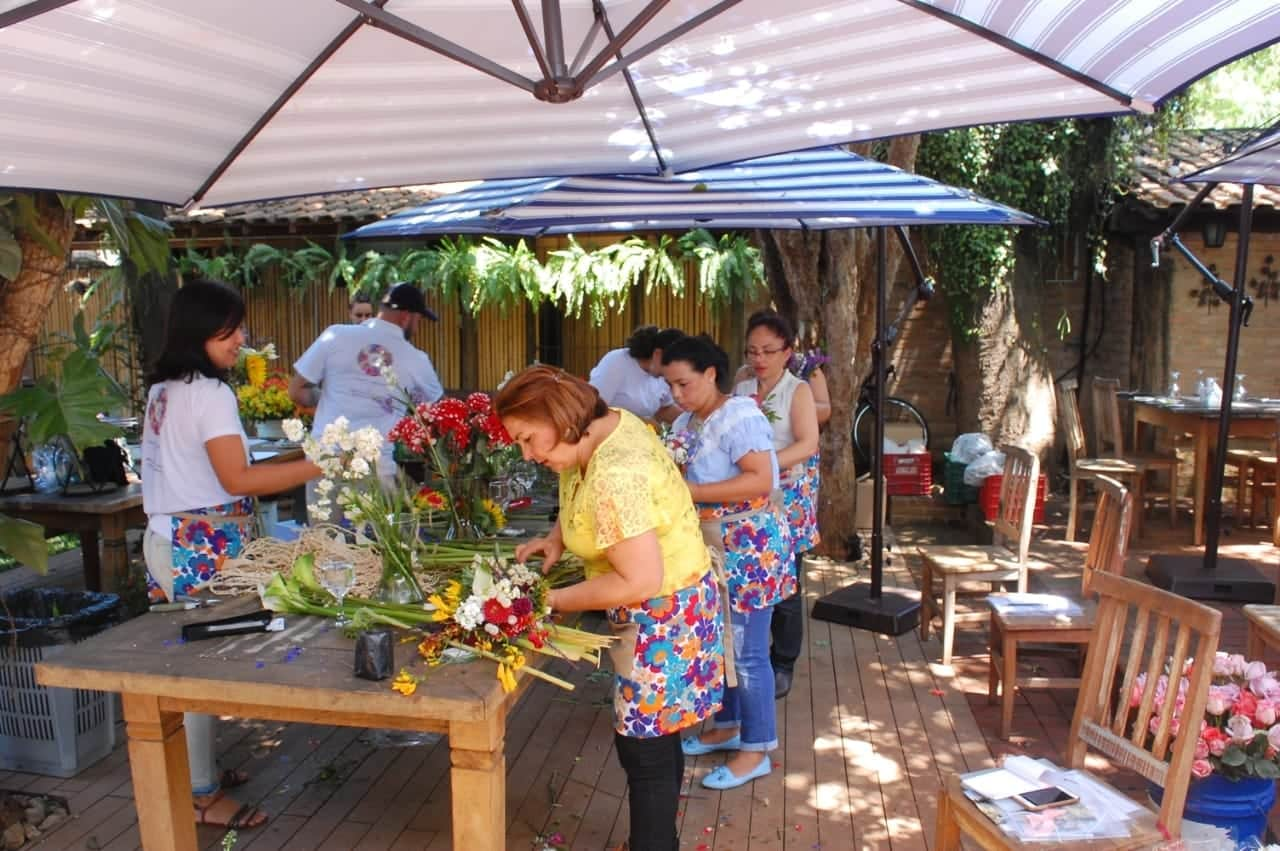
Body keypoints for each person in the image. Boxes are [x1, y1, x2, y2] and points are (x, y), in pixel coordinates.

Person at [497, 366, 723, 851]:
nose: (528, 454)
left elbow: (638, 578)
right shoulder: (605, 423)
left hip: (663, 616)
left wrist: (547, 600)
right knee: (655, 740)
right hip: (674, 603)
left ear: (560, 418)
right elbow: (578, 485)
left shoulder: (615, 474)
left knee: (645, 751)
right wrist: (558, 537)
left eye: (528, 439)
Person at [141, 279, 320, 830]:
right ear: (200, 330)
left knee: (195, 661)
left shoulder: (164, 389)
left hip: (171, 537)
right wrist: (320, 464)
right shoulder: (211, 394)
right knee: (197, 669)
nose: (241, 339)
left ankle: (202, 769)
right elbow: (238, 477)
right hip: (202, 543)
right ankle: (198, 794)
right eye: (231, 329)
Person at [662, 335, 790, 791]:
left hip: (749, 545)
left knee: (750, 652)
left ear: (711, 373)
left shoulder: (739, 414)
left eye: (683, 383)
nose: (676, 394)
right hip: (715, 546)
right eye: (670, 385)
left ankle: (757, 749)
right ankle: (729, 724)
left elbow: (760, 478)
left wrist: (689, 494)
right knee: (722, 643)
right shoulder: (687, 421)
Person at [288, 282, 444, 513]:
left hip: (324, 464)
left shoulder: (335, 335)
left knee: (324, 544)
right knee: (373, 545)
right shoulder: (415, 359)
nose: (417, 329)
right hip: (375, 469)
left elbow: (296, 390)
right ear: (406, 317)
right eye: (418, 321)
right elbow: (435, 412)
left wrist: (329, 397)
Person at [734, 311, 821, 700]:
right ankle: (746, 655)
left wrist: (765, 464)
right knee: (751, 580)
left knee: (785, 584)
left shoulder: (797, 390)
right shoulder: (740, 385)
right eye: (753, 350)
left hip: (787, 498)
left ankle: (782, 661)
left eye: (769, 350)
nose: (759, 358)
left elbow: (807, 444)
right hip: (747, 497)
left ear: (787, 352)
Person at [588, 325, 683, 423]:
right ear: (658, 354)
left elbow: (665, 409)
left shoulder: (663, 376)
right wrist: (640, 422)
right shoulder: (617, 361)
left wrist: (694, 420)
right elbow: (593, 407)